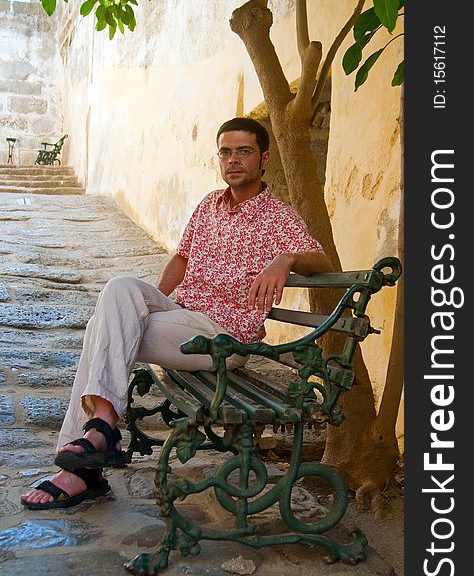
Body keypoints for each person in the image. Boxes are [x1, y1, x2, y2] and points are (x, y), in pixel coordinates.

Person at [20, 117, 331, 509]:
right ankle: (96, 435)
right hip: (182, 319)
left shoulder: (277, 216)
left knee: (106, 331)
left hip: (223, 338)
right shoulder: (208, 206)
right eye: (225, 152)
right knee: (120, 291)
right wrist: (146, 303)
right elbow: (181, 259)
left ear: (264, 158)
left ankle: (84, 459)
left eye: (244, 151)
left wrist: (285, 260)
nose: (233, 160)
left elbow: (321, 258)